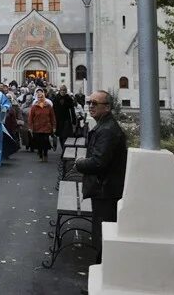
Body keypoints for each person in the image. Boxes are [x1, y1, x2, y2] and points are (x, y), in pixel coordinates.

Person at [75, 90, 128, 264]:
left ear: (107, 107)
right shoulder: (105, 126)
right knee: (102, 231)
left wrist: (80, 163)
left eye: (95, 103)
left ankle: (104, 272)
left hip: (106, 190)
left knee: (104, 233)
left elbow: (99, 162)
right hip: (104, 188)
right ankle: (102, 269)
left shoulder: (107, 130)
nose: (90, 106)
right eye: (89, 102)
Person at [27, 88, 56, 162]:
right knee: (39, 142)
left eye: (41, 97)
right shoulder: (34, 107)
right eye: (39, 97)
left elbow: (52, 117)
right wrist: (30, 127)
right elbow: (30, 117)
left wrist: (54, 127)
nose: (40, 98)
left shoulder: (48, 106)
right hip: (37, 127)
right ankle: (40, 153)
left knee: (45, 141)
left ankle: (45, 154)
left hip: (46, 126)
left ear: (44, 97)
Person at [52, 85, 76, 150]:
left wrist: (74, 120)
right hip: (58, 120)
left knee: (65, 135)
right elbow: (53, 110)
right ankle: (63, 149)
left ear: (66, 91)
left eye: (64, 90)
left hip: (66, 119)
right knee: (60, 136)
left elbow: (72, 110)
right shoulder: (56, 98)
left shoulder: (68, 98)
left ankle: (64, 150)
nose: (63, 91)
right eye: (62, 90)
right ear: (60, 90)